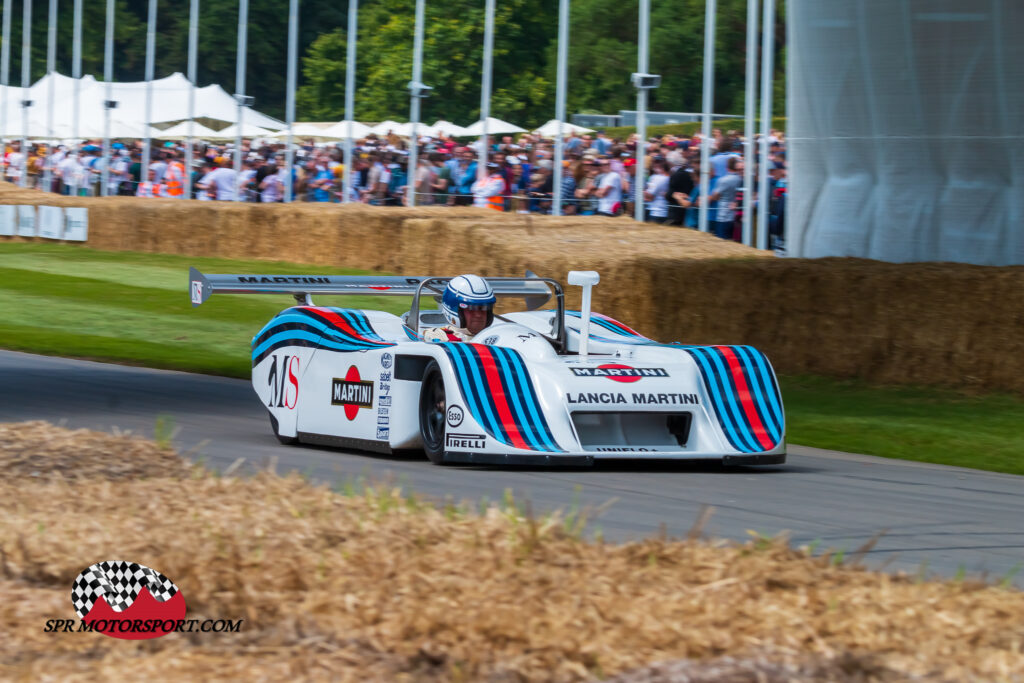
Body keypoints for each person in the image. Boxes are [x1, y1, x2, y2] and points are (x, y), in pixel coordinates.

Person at [422, 274, 495, 342]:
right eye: (472, 308)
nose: (478, 315)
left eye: (485, 307)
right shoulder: (438, 336)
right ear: (454, 309)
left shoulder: (497, 336)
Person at [707, 156, 743, 239]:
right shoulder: (740, 179)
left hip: (723, 215)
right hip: (735, 214)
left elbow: (715, 196)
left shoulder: (723, 180)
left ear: (727, 167)